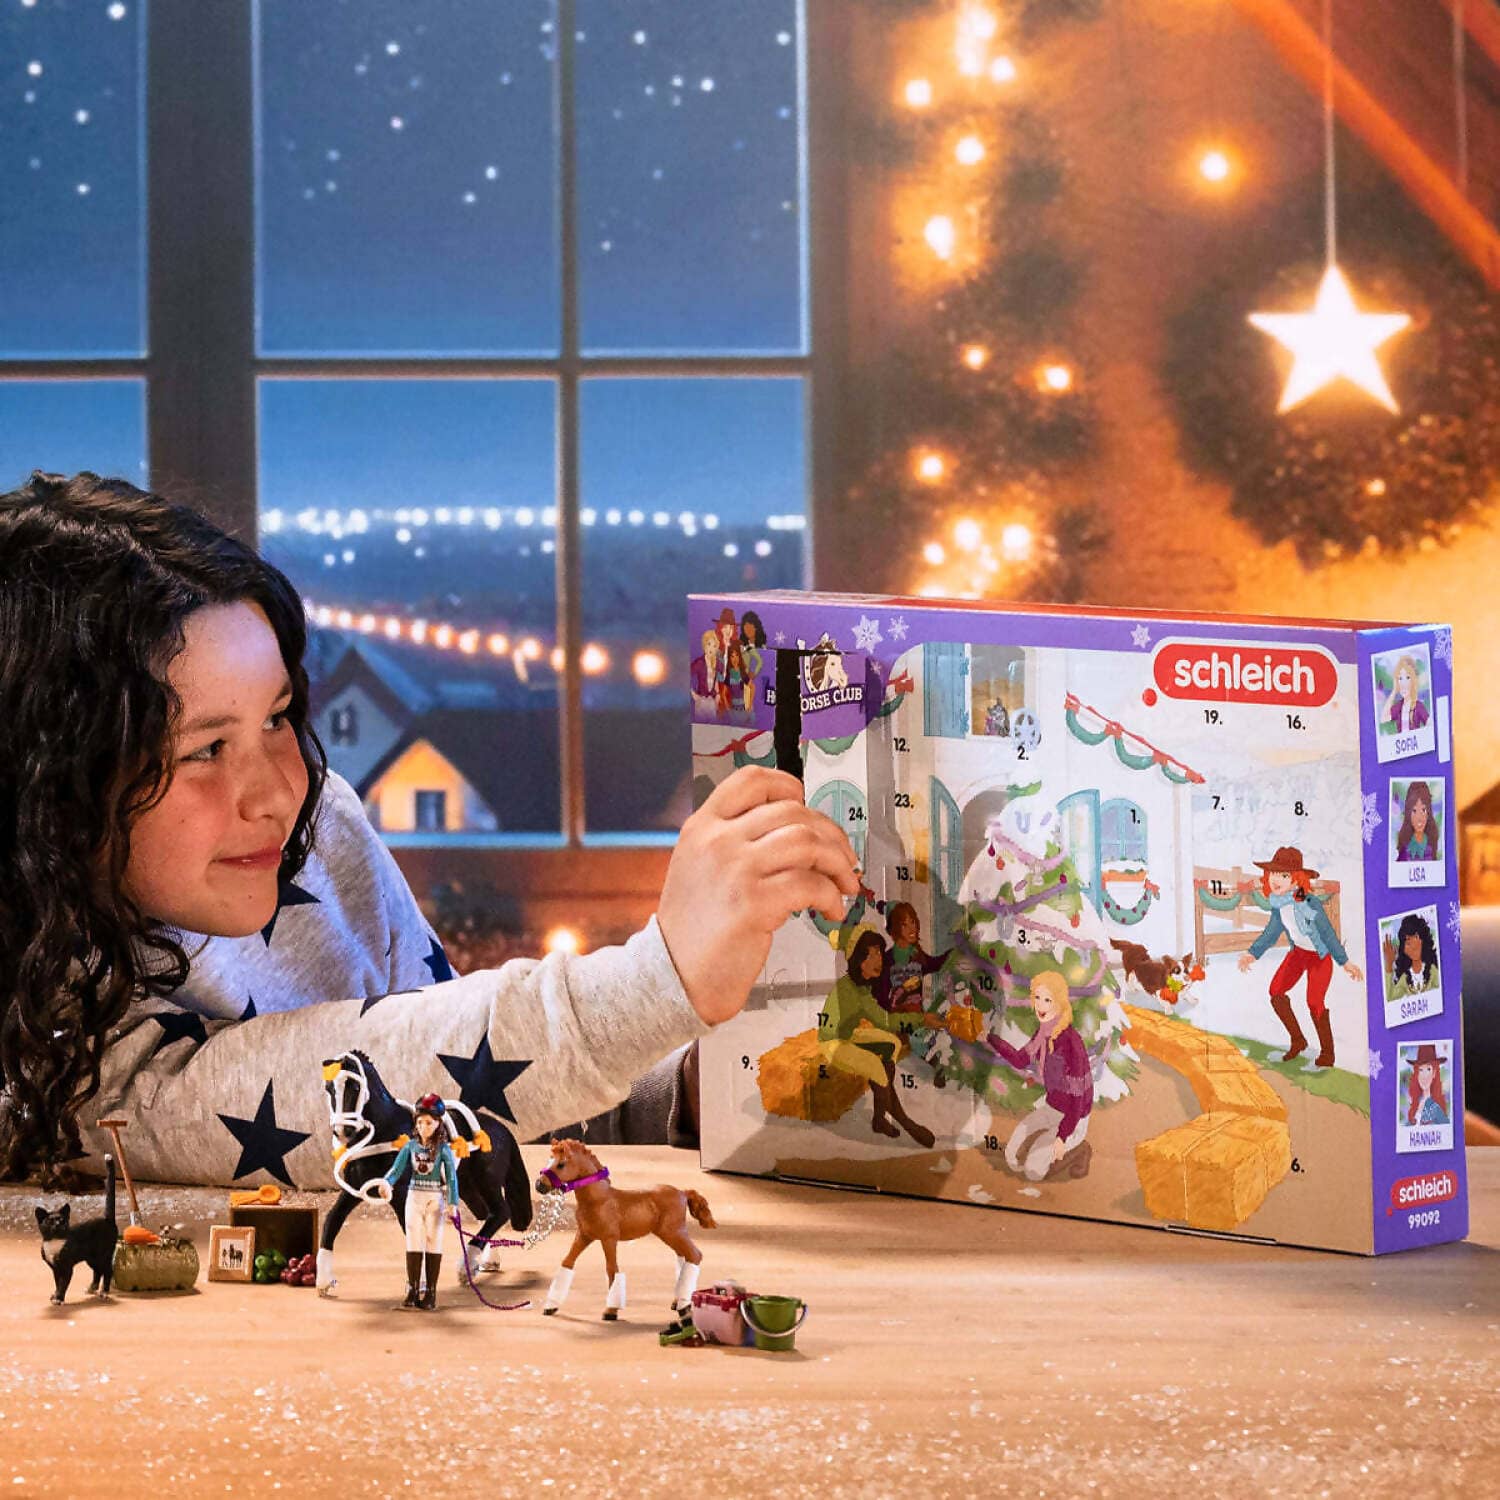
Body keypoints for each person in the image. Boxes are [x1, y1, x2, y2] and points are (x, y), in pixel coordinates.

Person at [0, 471, 860, 1188]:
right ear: (51, 782)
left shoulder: (314, 830)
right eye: (204, 749)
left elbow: (458, 1088)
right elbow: (239, 1107)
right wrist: (660, 981)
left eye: (277, 718)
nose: (277, 791)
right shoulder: (43, 1033)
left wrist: (695, 1092)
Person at [1237, 845, 1362, 1069]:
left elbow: (1327, 932)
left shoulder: (1308, 902)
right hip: (1298, 954)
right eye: (1273, 873)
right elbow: (1272, 932)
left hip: (1319, 957)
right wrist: (1252, 954)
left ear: (1296, 878)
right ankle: (1298, 1040)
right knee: (1276, 991)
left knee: (1314, 1002)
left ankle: (1328, 1053)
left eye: (1284, 875)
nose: (1276, 880)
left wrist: (1345, 962)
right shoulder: (1278, 904)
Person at [985, 970, 1093, 1181]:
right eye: (1037, 998)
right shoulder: (1042, 1033)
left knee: (1033, 1172)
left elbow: (1078, 1100)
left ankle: (1078, 1150)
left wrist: (1062, 1137)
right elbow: (1019, 1059)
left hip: (1074, 1116)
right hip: (1053, 1107)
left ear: (1059, 1002)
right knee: (1012, 1152)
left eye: (1048, 1000)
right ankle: (1047, 1146)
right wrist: (990, 1038)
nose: (1040, 1006)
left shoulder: (1071, 1043)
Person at [374, 1093, 458, 1310]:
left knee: (433, 1240)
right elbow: (396, 1169)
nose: (423, 1127)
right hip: (414, 1196)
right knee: (412, 1239)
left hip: (434, 1198)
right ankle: (412, 1289)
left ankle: (430, 1292)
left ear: (438, 1123)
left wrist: (453, 1203)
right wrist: (387, 1183)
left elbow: (451, 1177)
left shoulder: (443, 1149)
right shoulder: (410, 1147)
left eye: (428, 1123)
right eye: (420, 1123)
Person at [1384, 913, 1439, 997]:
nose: (1413, 945)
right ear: (1404, 949)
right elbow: (1390, 997)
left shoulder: (1432, 970)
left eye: (1416, 937)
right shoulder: (1405, 978)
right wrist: (1389, 964)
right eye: (1408, 942)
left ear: (1423, 939)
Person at [1405, 1043, 1450, 1127]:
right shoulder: (1416, 1104)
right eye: (1420, 1070)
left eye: (1428, 1069)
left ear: (1434, 1073)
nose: (1424, 1076)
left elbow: (1446, 1129)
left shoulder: (1435, 1108)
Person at [1384, 655, 1429, 736]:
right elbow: (1384, 718)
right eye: (1400, 678)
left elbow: (1430, 725)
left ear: (1413, 680)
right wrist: (1394, 691)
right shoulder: (1399, 706)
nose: (1403, 683)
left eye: (1408, 677)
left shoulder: (1418, 706)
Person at [1395, 781, 1440, 863]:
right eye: (1414, 811)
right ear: (1408, 813)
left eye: (1423, 810)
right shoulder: (1405, 846)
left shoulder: (1431, 843)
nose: (1419, 817)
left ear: (1429, 813)